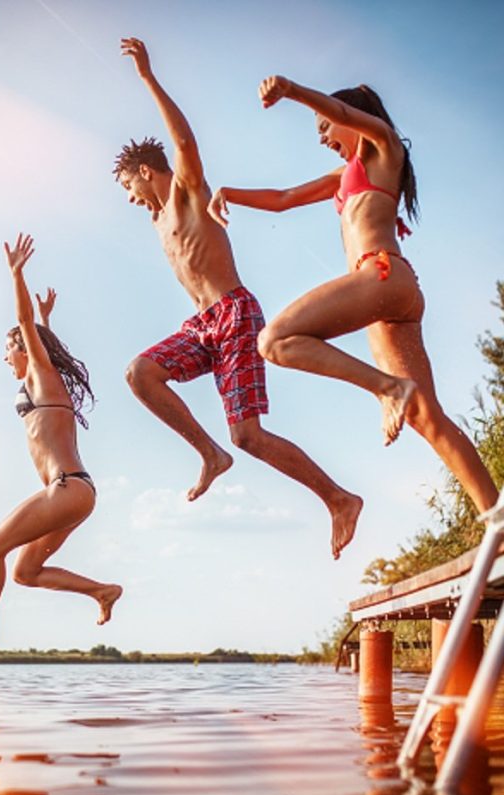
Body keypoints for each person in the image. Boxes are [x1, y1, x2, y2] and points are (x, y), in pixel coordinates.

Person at [116, 39, 362, 559]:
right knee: (140, 372)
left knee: (248, 436)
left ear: (144, 171)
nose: (130, 200)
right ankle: (209, 453)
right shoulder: (158, 221)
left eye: (128, 187)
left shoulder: (185, 193)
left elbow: (182, 140)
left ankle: (339, 499)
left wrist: (147, 78)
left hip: (235, 314)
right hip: (201, 324)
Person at [208, 76, 498, 517]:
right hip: (386, 297)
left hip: (381, 275)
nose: (323, 138)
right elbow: (284, 198)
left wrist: (292, 91)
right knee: (424, 415)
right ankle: (495, 517)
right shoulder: (344, 176)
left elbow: (344, 115)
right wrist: (229, 194)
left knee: (275, 341)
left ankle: (387, 389)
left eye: (323, 128)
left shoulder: (384, 147)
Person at [0, 234, 122, 654]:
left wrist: (17, 276)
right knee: (25, 571)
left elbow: (24, 327)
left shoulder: (40, 374)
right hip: (76, 491)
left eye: (8, 349)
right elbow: (37, 340)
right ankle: (102, 591)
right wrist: (46, 321)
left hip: (65, 489)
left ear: (23, 348)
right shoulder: (41, 379)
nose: (4, 357)